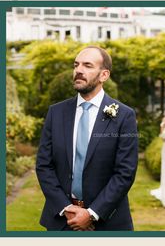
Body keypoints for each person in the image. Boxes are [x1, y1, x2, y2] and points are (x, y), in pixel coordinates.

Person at [36, 46, 138, 231]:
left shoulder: (124, 116)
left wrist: (92, 214)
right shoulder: (56, 113)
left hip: (109, 222)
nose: (79, 70)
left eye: (87, 65)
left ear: (104, 75)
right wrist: (66, 208)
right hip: (62, 221)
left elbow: (125, 172)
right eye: (76, 65)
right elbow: (44, 165)